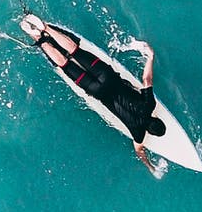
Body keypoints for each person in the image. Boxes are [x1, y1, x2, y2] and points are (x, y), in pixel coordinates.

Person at [19, 14, 167, 169]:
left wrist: (150, 57)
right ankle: (37, 38)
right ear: (149, 132)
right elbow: (138, 150)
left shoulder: (149, 104)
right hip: (96, 91)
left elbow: (147, 81)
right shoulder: (138, 133)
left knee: (76, 51)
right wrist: (150, 166)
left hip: (107, 76)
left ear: (156, 118)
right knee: (65, 65)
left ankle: (45, 28)